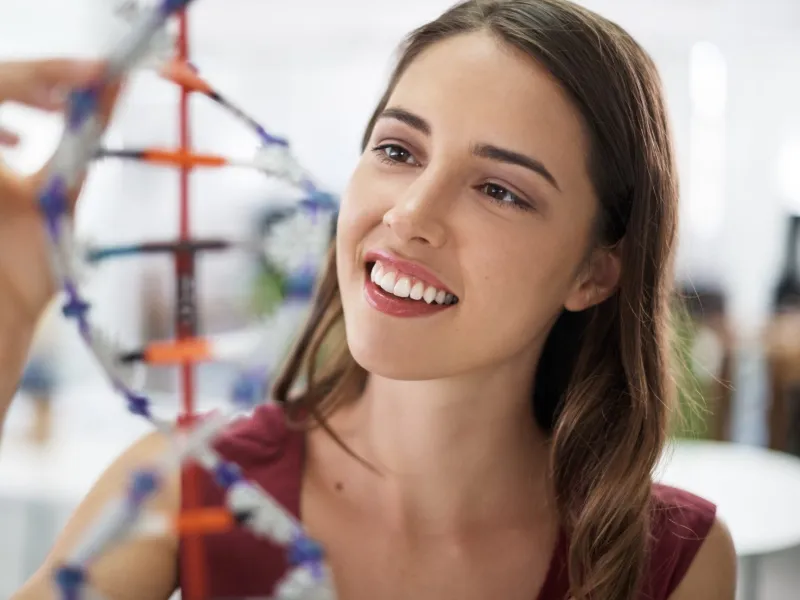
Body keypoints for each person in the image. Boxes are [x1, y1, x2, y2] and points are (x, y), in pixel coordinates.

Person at [2, 1, 737, 599]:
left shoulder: (675, 561)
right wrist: (7, 306)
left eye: (500, 190)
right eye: (398, 150)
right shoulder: (184, 487)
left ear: (595, 273)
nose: (410, 214)